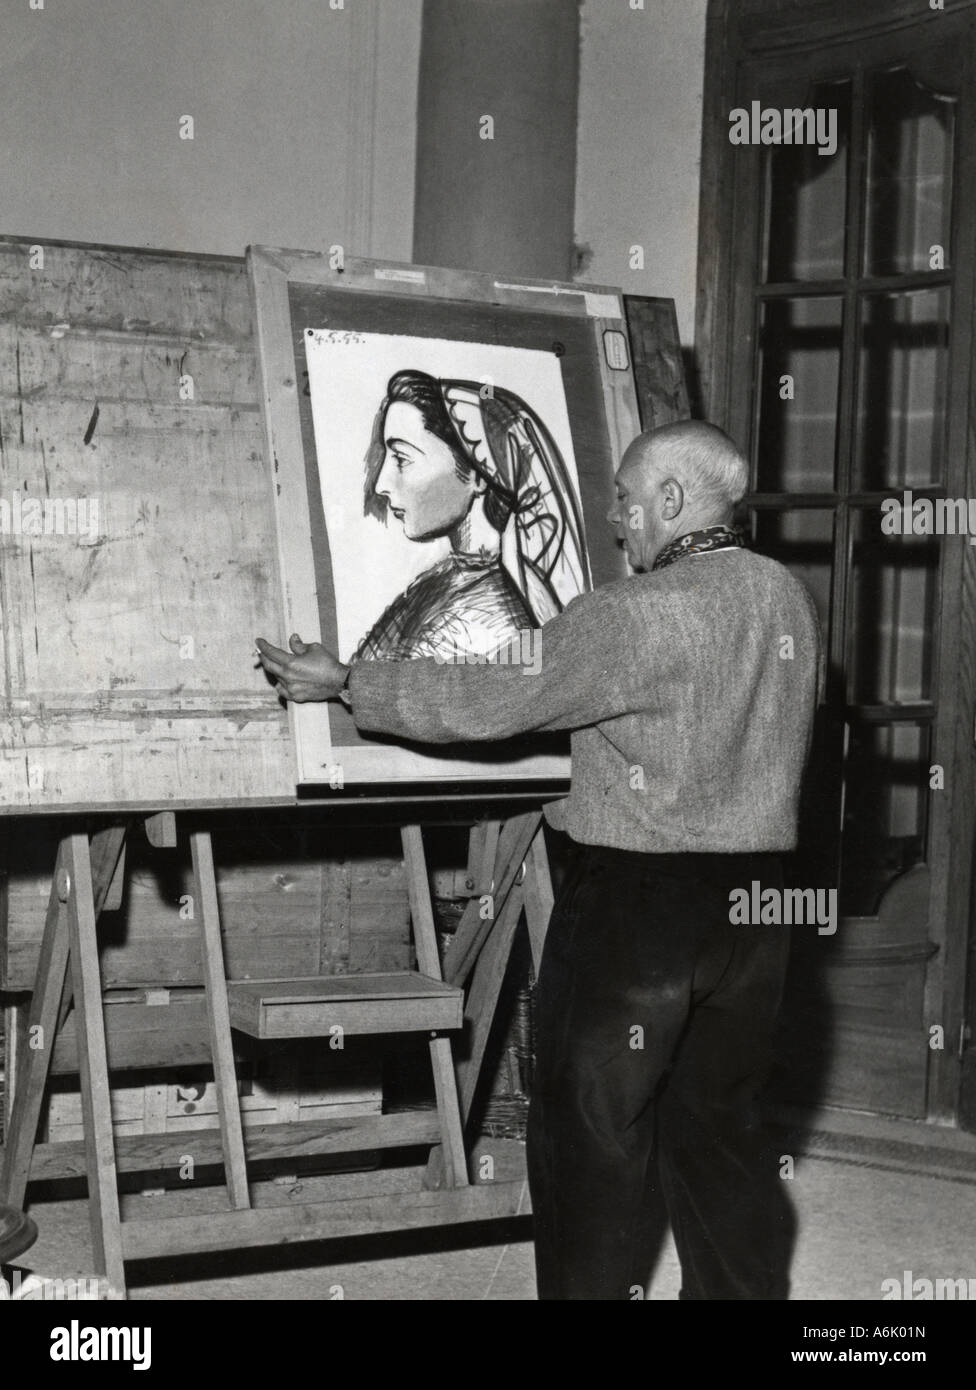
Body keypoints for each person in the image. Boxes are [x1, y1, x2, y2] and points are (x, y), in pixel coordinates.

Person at [256, 419, 822, 1301]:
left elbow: (490, 697)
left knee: (594, 1149)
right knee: (721, 1137)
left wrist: (350, 684)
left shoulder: (628, 615)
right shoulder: (787, 599)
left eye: (628, 501)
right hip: (756, 917)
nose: (615, 519)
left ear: (672, 500)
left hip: (641, 911)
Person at [353, 369, 588, 661]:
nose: (381, 485)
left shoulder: (497, 618)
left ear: (478, 474)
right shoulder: (434, 585)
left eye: (402, 458)